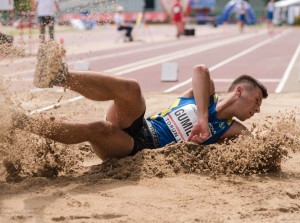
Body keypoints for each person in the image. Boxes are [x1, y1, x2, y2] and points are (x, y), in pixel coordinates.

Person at [12, 41, 268, 161]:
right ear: (239, 91)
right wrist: (202, 118)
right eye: (256, 100)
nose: (257, 109)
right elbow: (200, 69)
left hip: (139, 148)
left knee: (98, 129)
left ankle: (21, 122)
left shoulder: (233, 130)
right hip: (143, 124)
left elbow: (253, 151)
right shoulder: (205, 96)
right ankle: (58, 75)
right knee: (132, 88)